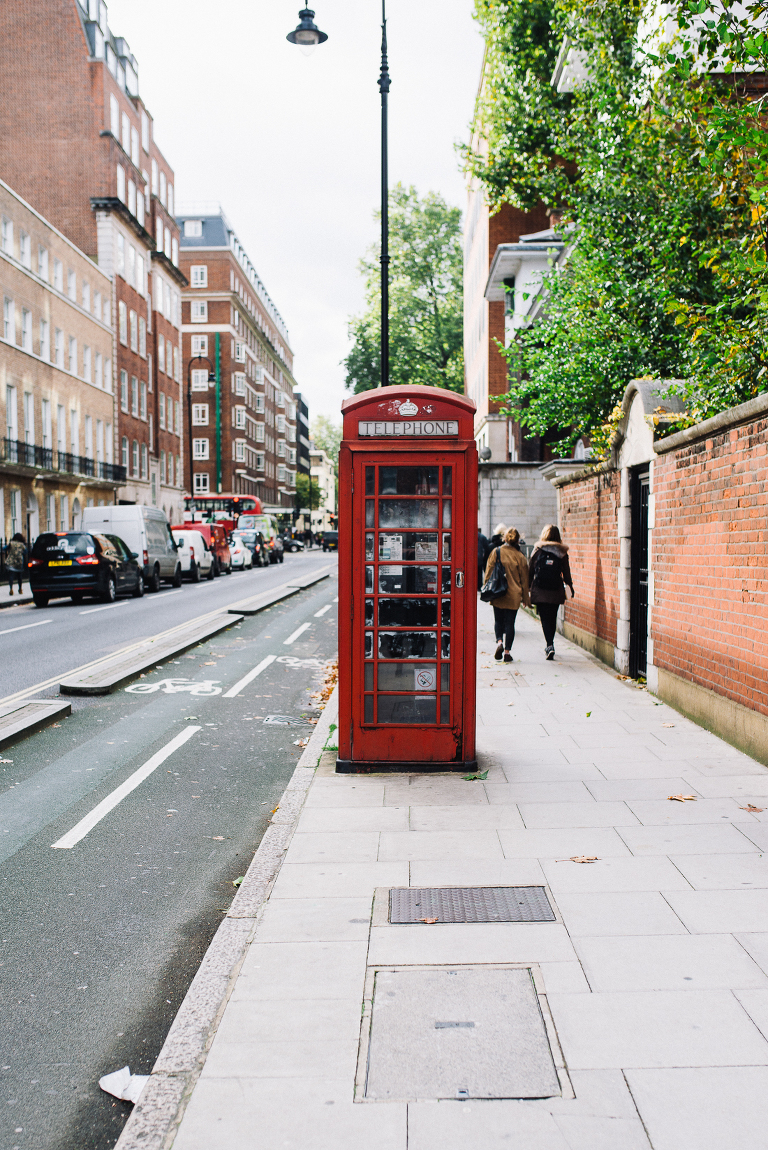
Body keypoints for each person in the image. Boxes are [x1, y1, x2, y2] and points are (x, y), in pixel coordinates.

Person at [483, 526, 530, 663]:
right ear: (517, 540)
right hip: (514, 594)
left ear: (504, 538)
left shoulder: (496, 552)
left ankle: (499, 643)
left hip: (498, 592)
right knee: (510, 623)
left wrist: (487, 588)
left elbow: (488, 572)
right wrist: (526, 599)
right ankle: (507, 652)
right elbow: (525, 581)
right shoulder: (520, 557)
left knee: (498, 620)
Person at [529, 524, 574, 660]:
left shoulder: (538, 550)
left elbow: (530, 569)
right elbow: (566, 571)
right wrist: (570, 585)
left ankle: (549, 645)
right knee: (552, 617)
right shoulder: (562, 552)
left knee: (544, 619)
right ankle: (550, 643)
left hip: (540, 590)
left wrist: (526, 588)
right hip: (555, 590)